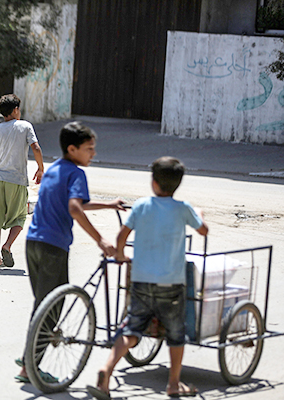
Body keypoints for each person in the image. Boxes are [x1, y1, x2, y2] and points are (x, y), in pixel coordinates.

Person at [87, 156, 209, 400]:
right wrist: (200, 214)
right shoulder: (183, 208)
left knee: (133, 326)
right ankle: (173, 384)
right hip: (171, 283)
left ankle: (107, 369)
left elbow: (122, 236)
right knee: (176, 333)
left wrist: (121, 255)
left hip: (141, 280)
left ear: (153, 182)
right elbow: (203, 230)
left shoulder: (142, 206)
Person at [16, 121, 124, 382]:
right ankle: (28, 368)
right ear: (73, 149)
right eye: (89, 149)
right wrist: (101, 240)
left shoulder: (54, 170)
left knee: (43, 303)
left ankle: (28, 356)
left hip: (34, 242)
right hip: (54, 246)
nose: (93, 154)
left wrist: (108, 205)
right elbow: (75, 208)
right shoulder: (77, 174)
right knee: (52, 307)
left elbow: (74, 203)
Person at [0, 94, 44, 268]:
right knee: (20, 216)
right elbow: (36, 147)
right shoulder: (25, 126)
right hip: (16, 180)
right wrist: (41, 168)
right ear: (16, 110)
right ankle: (7, 245)